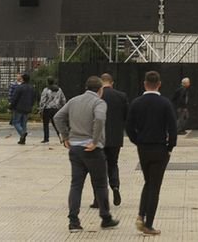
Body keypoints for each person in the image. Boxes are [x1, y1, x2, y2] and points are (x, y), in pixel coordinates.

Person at [54, 75, 120, 232]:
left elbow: (58, 117)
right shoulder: (99, 102)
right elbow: (99, 119)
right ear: (100, 89)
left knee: (76, 185)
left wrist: (65, 136)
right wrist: (95, 140)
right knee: (100, 184)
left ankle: (73, 221)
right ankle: (105, 218)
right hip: (92, 149)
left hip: (75, 148)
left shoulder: (74, 101)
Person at [126, 70, 178, 236]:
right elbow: (173, 128)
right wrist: (170, 147)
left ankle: (141, 214)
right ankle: (148, 224)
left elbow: (128, 127)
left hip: (143, 148)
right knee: (155, 186)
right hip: (160, 148)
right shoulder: (165, 103)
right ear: (159, 84)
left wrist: (137, 141)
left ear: (144, 84)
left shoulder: (136, 103)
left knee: (148, 182)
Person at [93, 73, 127, 209]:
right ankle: (115, 186)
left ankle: (98, 198)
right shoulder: (121, 96)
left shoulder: (97, 96)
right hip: (115, 137)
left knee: (98, 168)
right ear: (112, 83)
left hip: (99, 137)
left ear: (101, 83)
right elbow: (126, 115)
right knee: (113, 163)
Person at [39, 77, 66, 143]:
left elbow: (42, 101)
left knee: (46, 124)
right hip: (56, 109)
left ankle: (46, 138)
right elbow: (63, 99)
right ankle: (60, 136)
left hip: (47, 109)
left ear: (47, 82)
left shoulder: (46, 90)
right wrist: (62, 106)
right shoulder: (59, 90)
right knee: (56, 124)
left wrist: (41, 109)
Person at [10, 73, 35, 144]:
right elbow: (34, 98)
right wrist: (31, 105)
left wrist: (11, 106)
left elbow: (15, 98)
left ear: (22, 79)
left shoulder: (19, 87)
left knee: (16, 122)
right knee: (24, 123)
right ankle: (22, 139)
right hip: (27, 108)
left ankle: (22, 133)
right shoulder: (31, 88)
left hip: (19, 108)